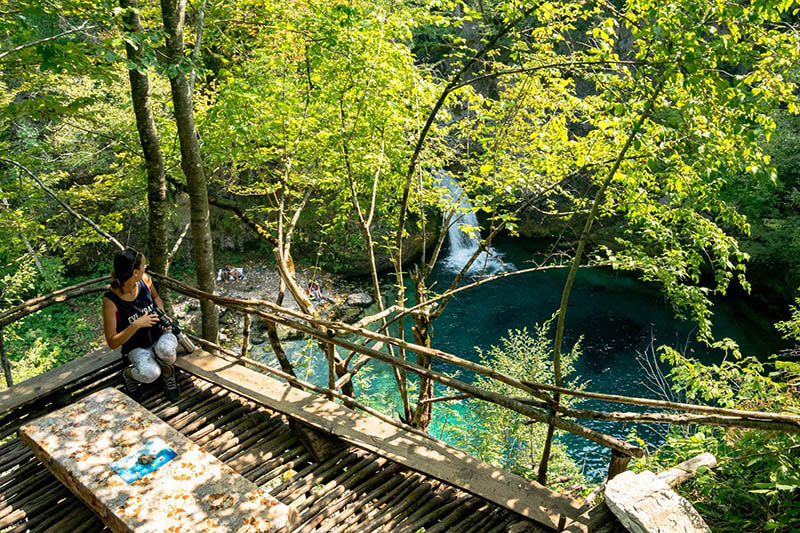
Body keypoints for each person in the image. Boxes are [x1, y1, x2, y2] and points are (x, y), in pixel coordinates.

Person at [102, 248, 180, 401]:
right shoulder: (111, 301)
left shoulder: (145, 280)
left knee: (166, 349)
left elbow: (157, 298)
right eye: (143, 265)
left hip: (159, 334)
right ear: (135, 272)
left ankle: (168, 374)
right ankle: (128, 375)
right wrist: (136, 324)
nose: (146, 267)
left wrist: (162, 314)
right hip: (136, 346)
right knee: (150, 374)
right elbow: (112, 342)